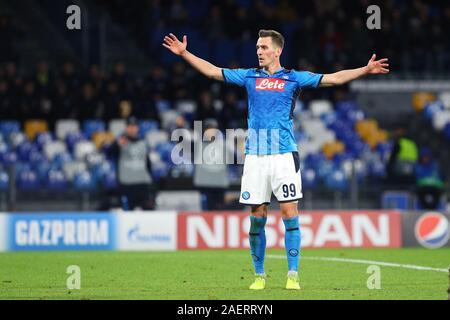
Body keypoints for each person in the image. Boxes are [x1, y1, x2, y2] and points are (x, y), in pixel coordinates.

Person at [163, 29, 389, 290]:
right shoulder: (249, 76)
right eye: (257, 47)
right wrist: (185, 53)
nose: (259, 51)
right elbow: (213, 71)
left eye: (264, 47)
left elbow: (333, 79)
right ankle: (259, 276)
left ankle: (292, 275)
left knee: (289, 213)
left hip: (284, 155)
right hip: (256, 157)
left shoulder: (293, 78)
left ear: (277, 51)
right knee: (257, 216)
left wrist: (364, 69)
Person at [106, 116, 155, 211]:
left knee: (147, 212)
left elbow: (147, 163)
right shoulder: (121, 141)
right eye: (130, 126)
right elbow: (109, 154)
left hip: (142, 183)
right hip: (126, 184)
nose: (132, 129)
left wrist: (150, 179)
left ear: (137, 128)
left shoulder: (143, 142)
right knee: (127, 211)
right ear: (126, 128)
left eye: (134, 126)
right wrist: (116, 144)